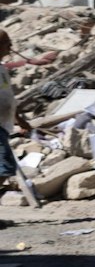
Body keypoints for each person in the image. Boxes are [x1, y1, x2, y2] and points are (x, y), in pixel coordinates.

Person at [0, 31, 56, 208]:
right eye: (6, 43)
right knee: (5, 167)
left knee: (4, 168)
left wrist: (19, 119)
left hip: (3, 124)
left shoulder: (2, 69)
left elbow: (6, 96)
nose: (10, 47)